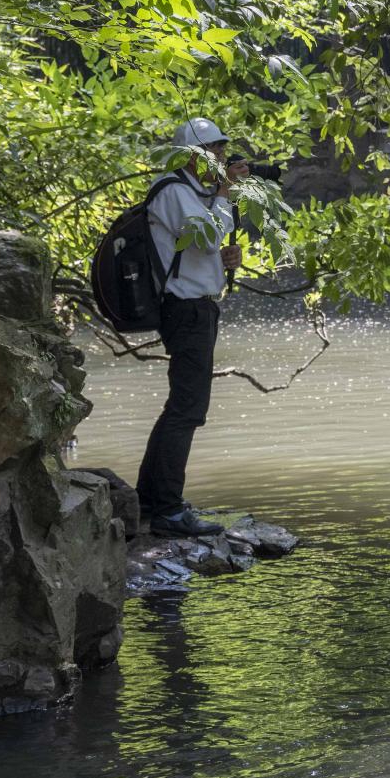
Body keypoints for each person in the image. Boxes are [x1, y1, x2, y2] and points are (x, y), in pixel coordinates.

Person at [136, 116, 242, 537]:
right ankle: (168, 511)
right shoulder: (174, 190)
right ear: (191, 156)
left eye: (220, 149)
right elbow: (205, 235)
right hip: (185, 310)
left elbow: (207, 245)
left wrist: (225, 259)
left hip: (198, 308)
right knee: (187, 410)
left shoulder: (193, 192)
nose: (219, 157)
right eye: (212, 150)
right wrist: (224, 195)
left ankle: (152, 500)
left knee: (181, 408)